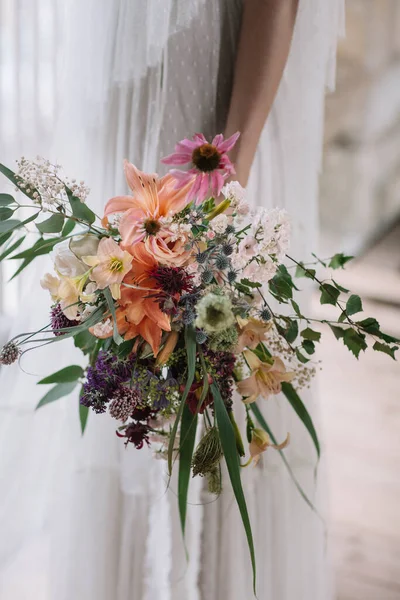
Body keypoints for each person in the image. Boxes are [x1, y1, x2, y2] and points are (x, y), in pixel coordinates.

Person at [0, 1, 344, 598]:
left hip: (213, 109)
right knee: (120, 376)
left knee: (225, 382)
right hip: (126, 92)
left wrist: (229, 179)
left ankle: (227, 580)